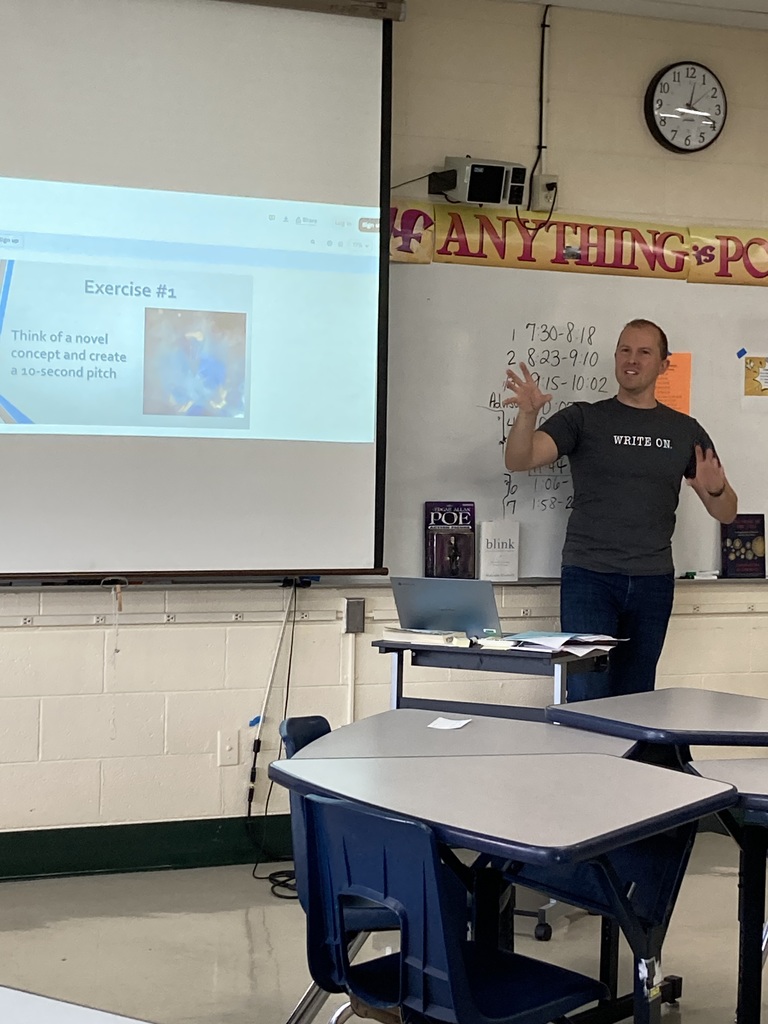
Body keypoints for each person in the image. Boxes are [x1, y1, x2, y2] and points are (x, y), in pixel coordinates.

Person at [503, 318, 737, 702]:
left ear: (664, 364)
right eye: (625, 350)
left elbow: (726, 512)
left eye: (645, 352)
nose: (632, 360)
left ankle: (630, 764)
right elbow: (519, 458)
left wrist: (715, 487)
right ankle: (587, 763)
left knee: (638, 697)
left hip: (653, 580)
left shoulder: (685, 430)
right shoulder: (583, 418)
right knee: (587, 692)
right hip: (589, 578)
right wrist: (527, 415)